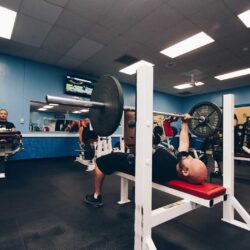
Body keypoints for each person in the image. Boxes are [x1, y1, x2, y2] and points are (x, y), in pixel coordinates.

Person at [84, 114, 208, 208]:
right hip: (142, 160)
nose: (189, 156)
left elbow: (144, 155)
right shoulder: (180, 163)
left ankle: (96, 196)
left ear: (185, 172)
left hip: (134, 165)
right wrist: (185, 124)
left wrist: (140, 127)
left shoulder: (164, 169)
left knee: (100, 161)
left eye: (191, 160)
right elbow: (184, 144)